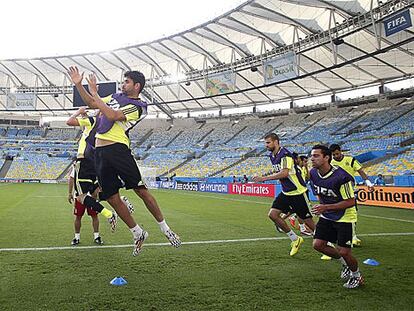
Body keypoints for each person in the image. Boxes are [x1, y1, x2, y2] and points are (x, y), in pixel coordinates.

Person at [68, 66, 181, 256]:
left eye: (126, 81)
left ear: (137, 86)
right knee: (111, 197)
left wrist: (95, 93)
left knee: (140, 190)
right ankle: (137, 233)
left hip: (118, 148)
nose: (123, 84)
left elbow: (112, 115)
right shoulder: (115, 97)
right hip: (100, 152)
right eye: (123, 81)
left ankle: (165, 228)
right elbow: (91, 102)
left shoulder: (138, 106)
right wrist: (79, 85)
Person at [309, 145, 364, 289]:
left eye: (316, 156)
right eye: (311, 155)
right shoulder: (313, 173)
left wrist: (325, 207)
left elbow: (351, 201)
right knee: (318, 245)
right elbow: (319, 193)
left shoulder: (342, 177)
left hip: (345, 216)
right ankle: (345, 265)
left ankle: (357, 276)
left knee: (344, 251)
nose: (311, 159)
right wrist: (322, 208)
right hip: (327, 215)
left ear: (326, 158)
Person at [253, 133, 315, 256]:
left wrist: (263, 178)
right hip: (286, 193)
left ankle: (328, 245)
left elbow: (284, 173)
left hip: (298, 192)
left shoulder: (285, 155)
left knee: (310, 224)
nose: (266, 145)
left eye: (268, 142)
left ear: (276, 142)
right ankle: (295, 239)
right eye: (265, 143)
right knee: (273, 215)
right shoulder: (272, 155)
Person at [66, 107, 118, 232]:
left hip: (84, 161)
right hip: (94, 162)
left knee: (81, 196)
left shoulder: (93, 120)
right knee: (95, 194)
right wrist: (85, 115)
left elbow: (69, 121)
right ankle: (121, 201)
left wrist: (79, 111)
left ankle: (109, 214)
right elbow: (86, 130)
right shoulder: (104, 125)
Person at [329, 144, 373, 247]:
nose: (335, 156)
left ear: (341, 151)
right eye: (333, 154)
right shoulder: (330, 162)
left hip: (349, 191)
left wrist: (368, 183)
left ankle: (353, 236)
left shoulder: (351, 160)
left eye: (337, 153)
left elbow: (360, 171)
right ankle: (337, 235)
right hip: (336, 192)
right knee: (335, 214)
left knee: (352, 213)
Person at [68, 164, 103, 245]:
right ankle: (77, 237)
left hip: (92, 196)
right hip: (79, 196)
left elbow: (98, 179)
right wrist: (70, 193)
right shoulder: (77, 165)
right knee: (78, 216)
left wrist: (98, 191)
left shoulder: (94, 164)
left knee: (94, 216)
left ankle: (96, 236)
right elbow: (71, 178)